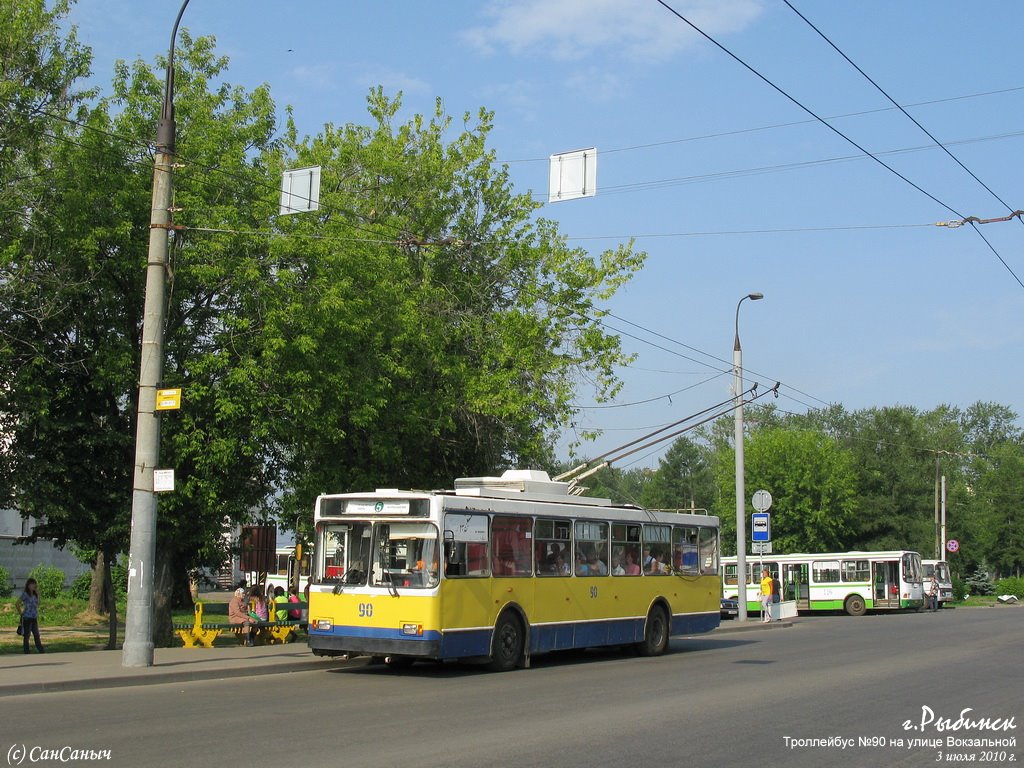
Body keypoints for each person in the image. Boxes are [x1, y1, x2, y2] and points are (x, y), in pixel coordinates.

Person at [15, 578, 44, 654]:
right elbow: (17, 603)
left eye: (35, 584)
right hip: (27, 617)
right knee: (27, 635)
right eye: (32, 584)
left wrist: (39, 595)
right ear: (28, 585)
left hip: (34, 617)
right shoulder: (25, 594)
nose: (34, 585)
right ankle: (26, 651)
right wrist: (21, 613)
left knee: (36, 634)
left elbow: (38, 604)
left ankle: (41, 650)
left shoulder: (35, 595)